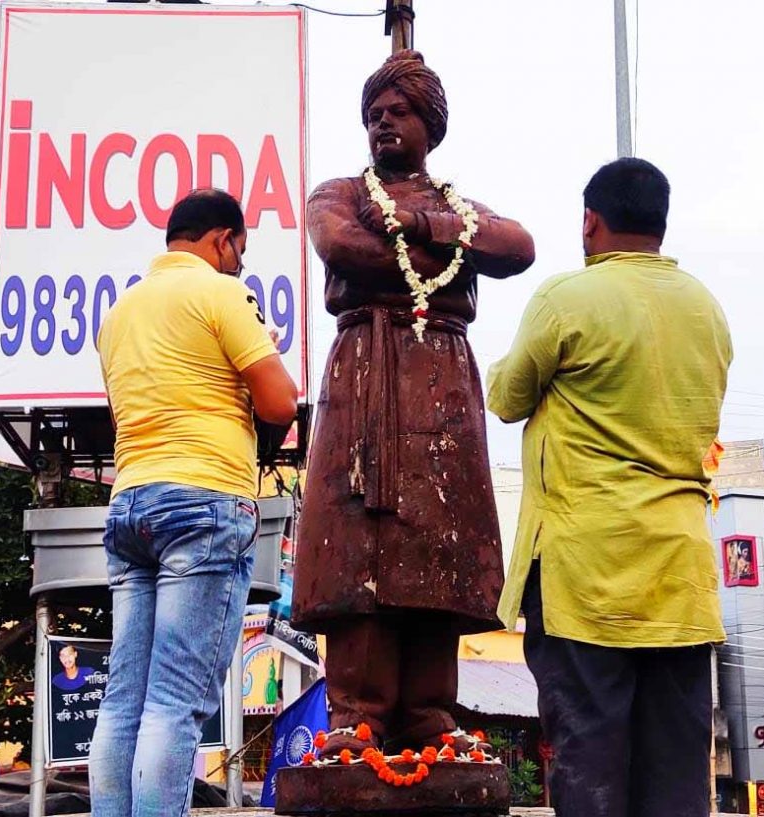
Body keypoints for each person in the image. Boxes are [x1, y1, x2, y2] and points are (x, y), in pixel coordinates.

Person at [291, 50, 534, 757]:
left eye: (398, 113)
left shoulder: (456, 206)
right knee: (356, 544)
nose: (383, 125)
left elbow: (517, 246)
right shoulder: (337, 192)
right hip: (363, 376)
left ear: (431, 124)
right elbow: (341, 245)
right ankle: (355, 709)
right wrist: (445, 256)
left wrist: (425, 228)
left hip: (442, 380)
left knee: (439, 541)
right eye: (374, 115)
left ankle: (430, 709)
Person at [487, 158, 732, 817]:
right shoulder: (707, 309)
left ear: (589, 221)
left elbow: (507, 397)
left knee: (591, 766)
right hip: (680, 578)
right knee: (677, 779)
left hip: (585, 575)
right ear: (660, 223)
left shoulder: (566, 298)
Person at [89, 189, 298, 817]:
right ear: (221, 239)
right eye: (239, 250)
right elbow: (280, 403)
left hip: (130, 504)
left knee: (125, 698)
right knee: (174, 701)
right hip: (203, 501)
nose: (239, 263)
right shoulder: (221, 293)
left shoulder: (119, 312)